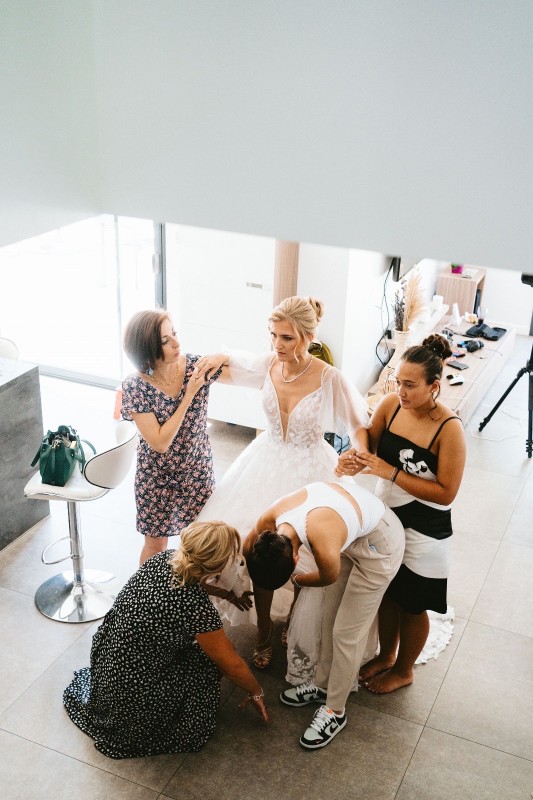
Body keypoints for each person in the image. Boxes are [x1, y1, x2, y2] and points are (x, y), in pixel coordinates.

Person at [193, 296, 371, 666]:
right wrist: (211, 357)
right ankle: (262, 628)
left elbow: (357, 424)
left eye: (287, 338)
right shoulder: (270, 364)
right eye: (273, 335)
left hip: (311, 468)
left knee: (304, 554)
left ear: (308, 336)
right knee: (253, 548)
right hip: (264, 461)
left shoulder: (328, 377)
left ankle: (293, 619)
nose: (278, 345)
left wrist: (359, 454)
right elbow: (233, 362)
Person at [63, 521, 268, 759]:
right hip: (136, 693)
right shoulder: (197, 609)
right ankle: (170, 717)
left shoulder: (163, 558)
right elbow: (230, 663)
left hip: (110, 664)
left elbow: (187, 581)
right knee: (210, 661)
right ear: (217, 566)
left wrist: (224, 594)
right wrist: (256, 691)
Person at [336, 333, 466, 693]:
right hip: (386, 511)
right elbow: (366, 434)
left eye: (410, 385)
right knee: (387, 589)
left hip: (426, 525)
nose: (401, 391)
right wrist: (359, 454)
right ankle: (385, 654)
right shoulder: (392, 404)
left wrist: (390, 472)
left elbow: (447, 492)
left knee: (413, 601)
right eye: (398, 382)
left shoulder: (449, 429)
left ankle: (404, 668)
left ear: (434, 387)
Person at [244, 481, 404, 749]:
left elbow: (328, 576)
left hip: (380, 544)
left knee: (347, 633)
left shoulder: (320, 541)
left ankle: (335, 711)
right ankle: (321, 686)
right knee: (329, 617)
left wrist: (298, 582)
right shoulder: (268, 522)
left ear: (296, 561)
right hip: (348, 534)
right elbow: (246, 551)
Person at [121, 310, 233, 566]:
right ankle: (144, 597)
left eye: (174, 333)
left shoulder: (195, 366)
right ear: (147, 348)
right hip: (156, 477)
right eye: (165, 340)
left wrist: (224, 355)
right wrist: (189, 395)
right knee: (155, 544)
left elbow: (243, 373)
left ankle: (191, 597)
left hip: (196, 469)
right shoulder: (135, 386)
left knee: (200, 540)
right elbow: (160, 443)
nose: (176, 343)